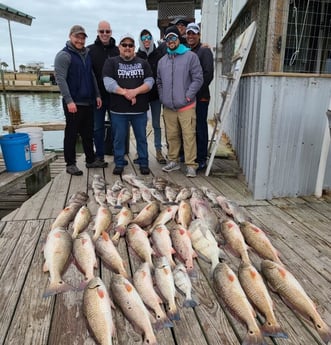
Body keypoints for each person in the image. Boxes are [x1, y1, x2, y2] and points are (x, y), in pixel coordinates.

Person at [54, 25, 107, 176]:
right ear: (70, 36)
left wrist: (97, 95)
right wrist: (69, 100)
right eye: (77, 37)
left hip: (88, 101)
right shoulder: (64, 55)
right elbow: (60, 79)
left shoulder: (86, 54)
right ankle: (70, 163)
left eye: (82, 37)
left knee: (88, 133)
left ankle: (90, 160)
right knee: (71, 133)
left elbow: (91, 76)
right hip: (73, 103)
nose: (80, 40)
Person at [103, 34, 154, 175]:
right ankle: (119, 163)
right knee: (118, 139)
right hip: (118, 111)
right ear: (119, 47)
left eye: (130, 45)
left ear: (134, 48)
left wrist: (135, 92)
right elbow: (108, 83)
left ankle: (143, 162)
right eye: (124, 44)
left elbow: (150, 82)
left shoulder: (143, 63)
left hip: (139, 111)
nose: (127, 47)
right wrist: (126, 93)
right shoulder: (111, 62)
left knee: (141, 139)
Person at [157, 26, 203, 178]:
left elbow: (198, 79)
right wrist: (163, 97)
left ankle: (191, 164)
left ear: (178, 39)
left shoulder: (190, 56)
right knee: (172, 135)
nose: (170, 41)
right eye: (167, 38)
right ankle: (173, 160)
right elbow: (159, 81)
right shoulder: (162, 61)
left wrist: (188, 97)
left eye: (173, 38)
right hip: (169, 107)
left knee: (188, 135)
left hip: (186, 106)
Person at [88, 21, 119, 165]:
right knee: (97, 128)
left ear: (111, 32)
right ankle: (99, 155)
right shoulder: (90, 50)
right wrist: (95, 94)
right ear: (98, 32)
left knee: (116, 126)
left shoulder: (118, 50)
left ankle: (115, 153)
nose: (105, 34)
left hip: (115, 97)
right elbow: (88, 75)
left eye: (107, 31)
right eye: (102, 31)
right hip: (98, 98)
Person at [186, 23, 214, 171]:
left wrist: (193, 91)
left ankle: (202, 158)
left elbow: (208, 75)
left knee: (200, 127)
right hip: (189, 98)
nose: (191, 36)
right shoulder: (187, 51)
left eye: (194, 33)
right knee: (191, 128)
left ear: (199, 35)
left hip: (201, 97)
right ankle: (193, 156)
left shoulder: (204, 51)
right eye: (188, 33)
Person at [136, 29, 166, 164]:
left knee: (156, 124)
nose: (146, 40)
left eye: (148, 37)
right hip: (142, 96)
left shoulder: (159, 54)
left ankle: (158, 150)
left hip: (155, 96)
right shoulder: (137, 55)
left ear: (152, 38)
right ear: (141, 40)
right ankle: (139, 151)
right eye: (143, 38)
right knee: (141, 124)